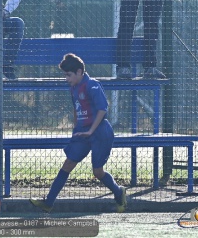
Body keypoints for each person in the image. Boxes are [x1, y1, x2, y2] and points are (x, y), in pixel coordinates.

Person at [30, 53, 127, 213]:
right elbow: (76, 109)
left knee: (97, 171)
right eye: (65, 75)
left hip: (100, 132)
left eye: (69, 75)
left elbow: (103, 110)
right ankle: (48, 203)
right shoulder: (73, 87)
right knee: (68, 164)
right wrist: (77, 129)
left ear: (80, 72)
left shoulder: (93, 85)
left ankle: (119, 192)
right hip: (83, 133)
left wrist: (90, 130)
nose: (66, 79)